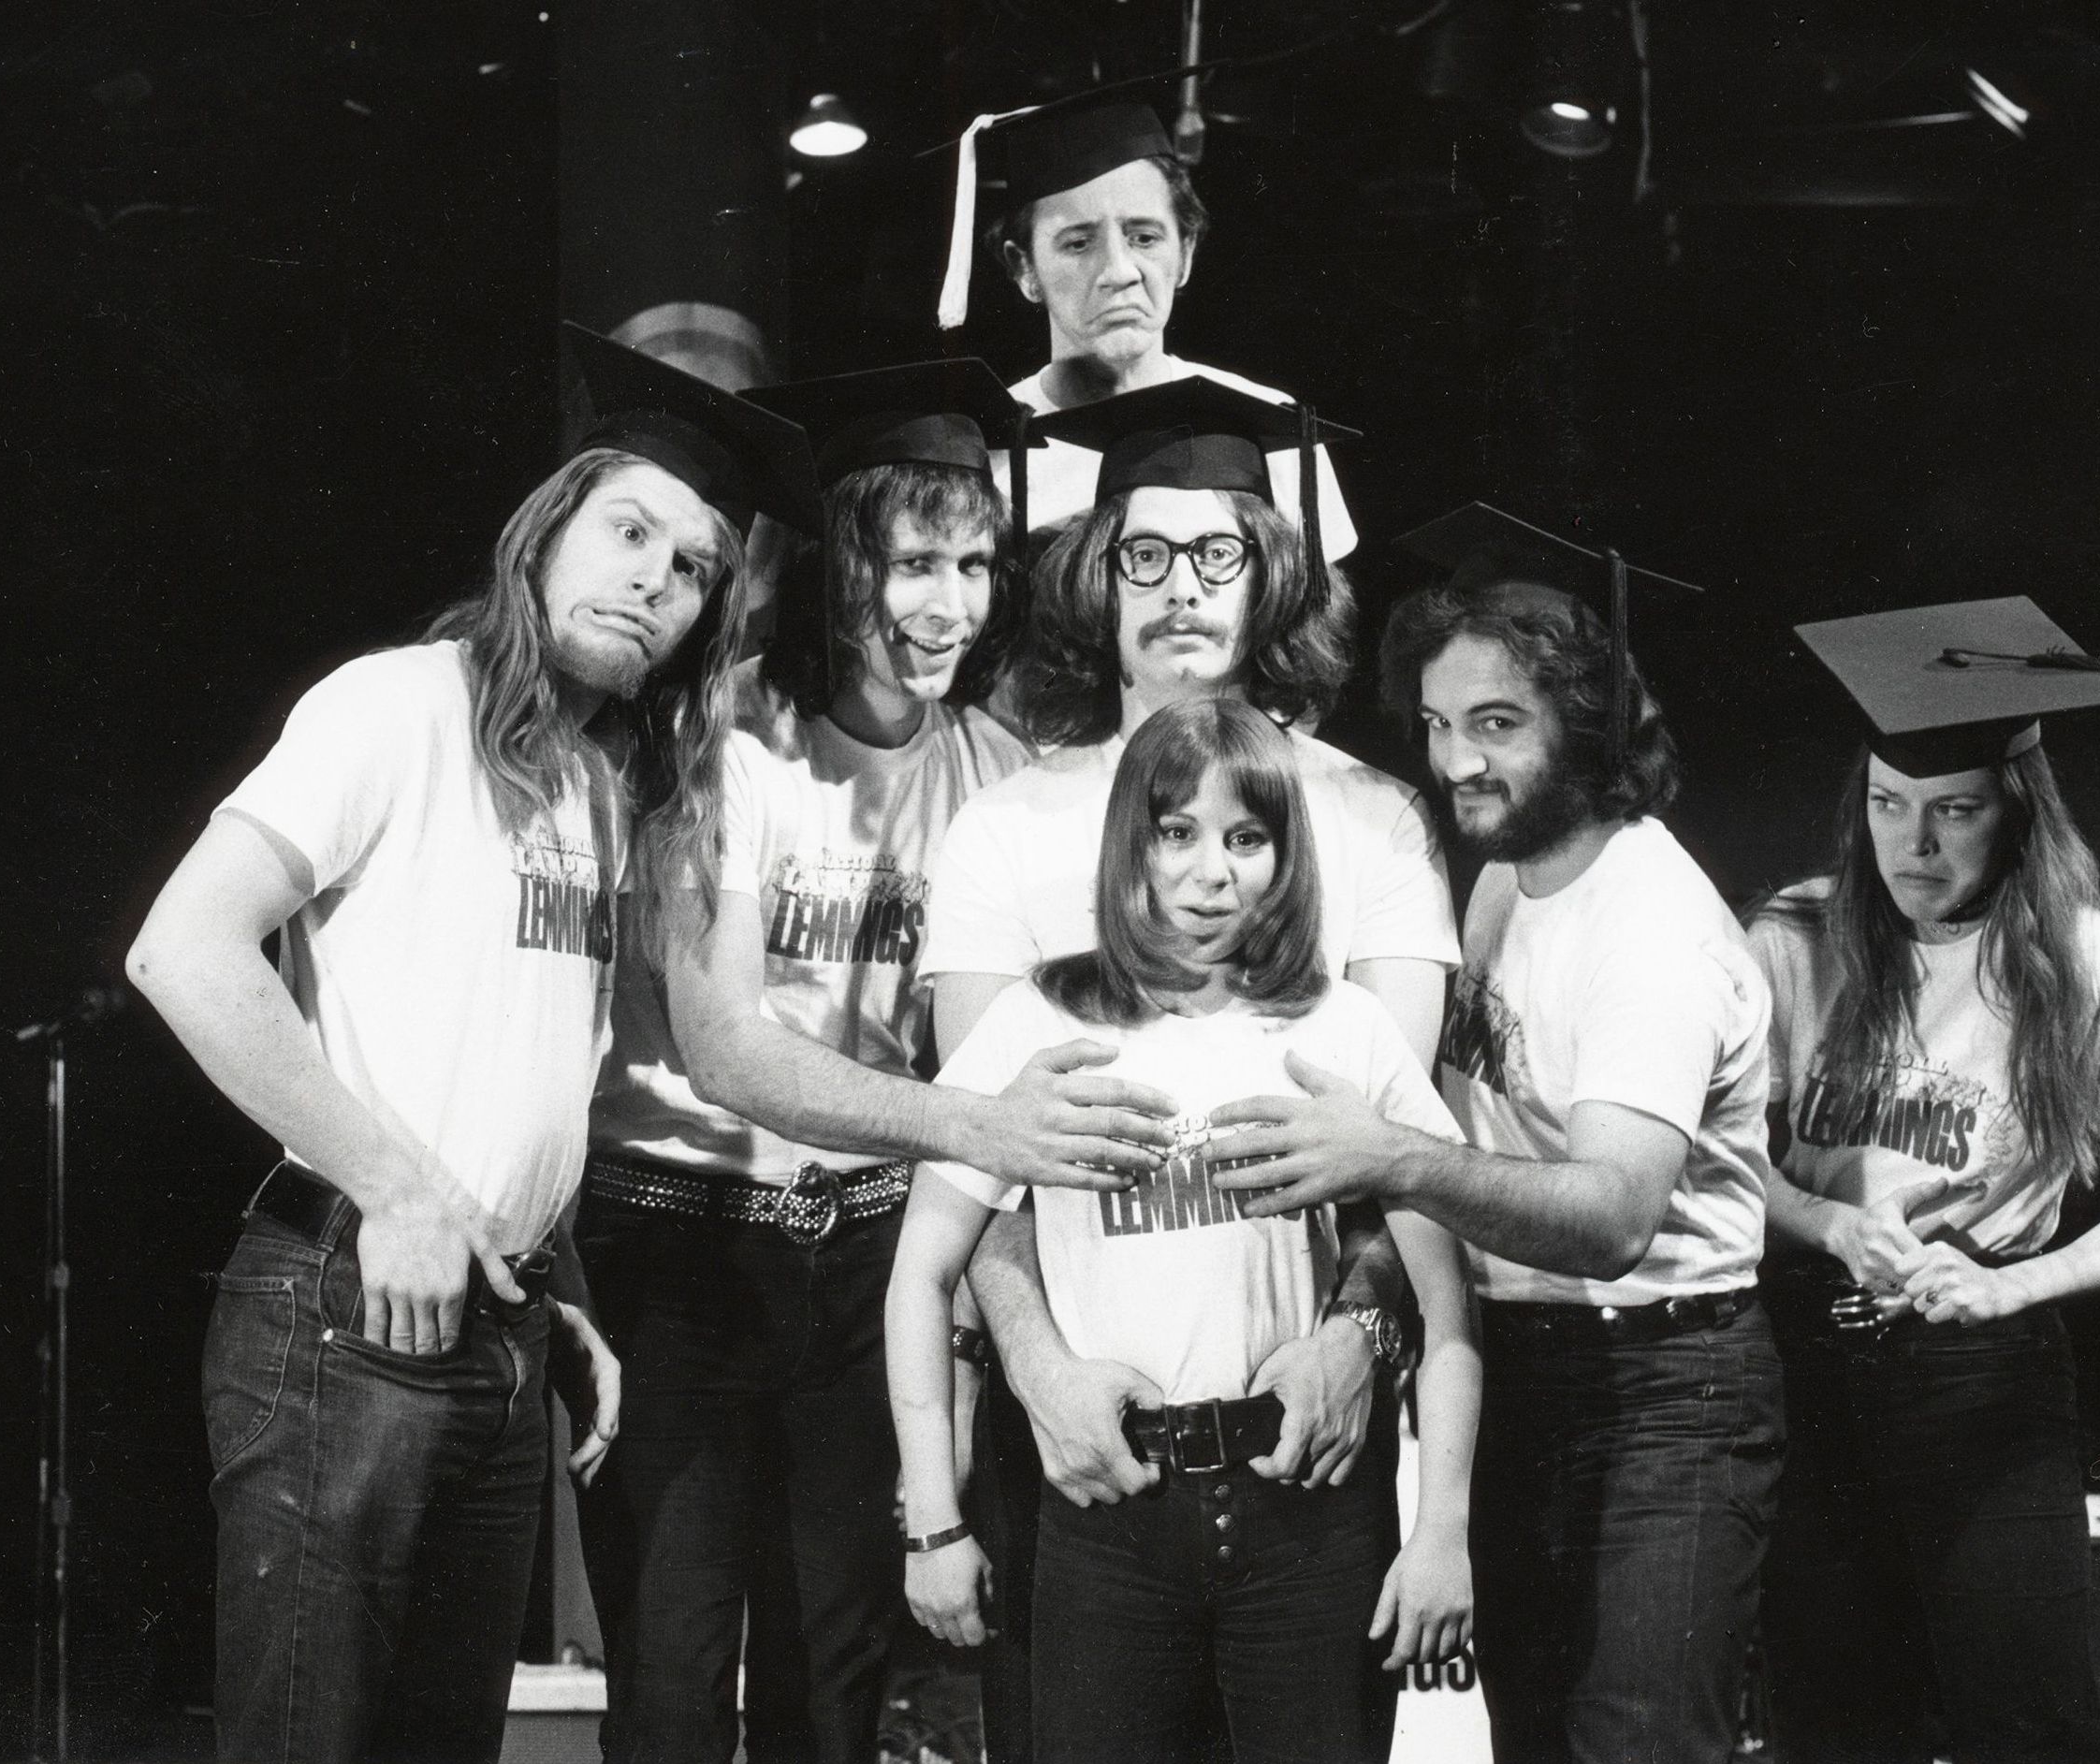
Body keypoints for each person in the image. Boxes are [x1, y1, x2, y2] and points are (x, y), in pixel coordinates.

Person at [126, 324, 819, 1763]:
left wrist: (553, 1290)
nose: (658, 579)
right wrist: (396, 1188)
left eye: (696, 567)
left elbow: (514, 1067)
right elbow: (181, 949)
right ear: (546, 532)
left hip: (497, 1325)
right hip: (345, 1310)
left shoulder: (600, 786)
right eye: (630, 530)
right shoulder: (400, 705)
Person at [572, 357, 1189, 1764]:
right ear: (843, 563)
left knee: (832, 1688)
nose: (949, 605)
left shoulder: (991, 765)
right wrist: (974, 1125)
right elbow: (727, 1049)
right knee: (671, 1689)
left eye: (973, 566)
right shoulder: (724, 734)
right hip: (682, 1238)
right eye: (915, 563)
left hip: (864, 1254)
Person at [923, 378, 1454, 1763]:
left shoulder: (1376, 819)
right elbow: (983, 1162)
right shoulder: (1004, 824)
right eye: (1142, 554)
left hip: (1306, 1429)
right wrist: (1039, 1368)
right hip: (1077, 1441)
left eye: (1216, 551)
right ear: (1096, 581)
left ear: (1269, 571)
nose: (1179, 587)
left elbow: (1398, 1162)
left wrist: (1356, 1339)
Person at [1205, 507, 1783, 1764]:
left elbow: (1613, 1216)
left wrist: (1389, 1156)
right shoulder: (1506, 873)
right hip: (1522, 1367)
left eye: (1497, 724)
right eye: (1435, 724)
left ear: (1592, 720)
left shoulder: (1650, 927)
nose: (1456, 761)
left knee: (1638, 1745)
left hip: (1663, 1391)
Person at [1747, 596, 2100, 1764]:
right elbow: (1717, 1161)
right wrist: (1828, 1222)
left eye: (1952, 811)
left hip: (1981, 1375)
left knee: (2027, 1722)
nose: (1913, 846)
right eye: (1886, 805)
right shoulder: (1793, 936)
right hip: (1803, 1363)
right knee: (1834, 1727)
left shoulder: (2087, 962)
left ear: (2015, 812)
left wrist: (2012, 1285)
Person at [936, 96, 1357, 556]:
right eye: (1078, 243)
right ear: (1024, 270)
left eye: (1144, 237)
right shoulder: (977, 454)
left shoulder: (1272, 429)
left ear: (1186, 253)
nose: (1119, 272)